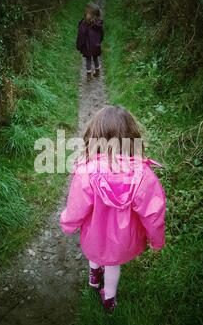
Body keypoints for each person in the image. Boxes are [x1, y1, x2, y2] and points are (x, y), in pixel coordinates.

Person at [60, 106, 166, 313]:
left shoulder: (86, 171)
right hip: (123, 237)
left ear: (94, 137)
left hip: (94, 232)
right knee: (113, 264)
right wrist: (157, 240)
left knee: (95, 250)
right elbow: (153, 213)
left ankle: (93, 275)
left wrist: (68, 223)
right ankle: (109, 299)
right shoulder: (142, 173)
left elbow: (76, 207)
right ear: (132, 137)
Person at [76, 2, 104, 81]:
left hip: (87, 46)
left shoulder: (83, 24)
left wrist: (79, 46)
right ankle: (97, 71)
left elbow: (80, 36)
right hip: (96, 45)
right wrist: (99, 42)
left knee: (88, 59)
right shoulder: (98, 24)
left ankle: (89, 75)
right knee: (95, 58)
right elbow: (102, 34)